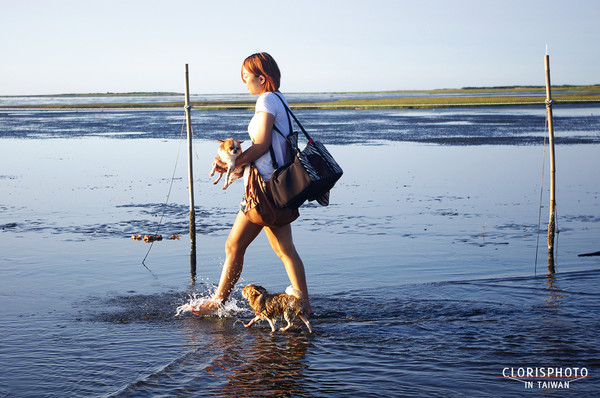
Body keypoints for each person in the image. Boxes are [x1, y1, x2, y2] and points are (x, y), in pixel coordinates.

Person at [191, 52, 311, 316]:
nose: (244, 82)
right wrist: (236, 163)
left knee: (234, 246)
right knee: (286, 251)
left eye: (246, 76)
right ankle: (306, 309)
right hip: (279, 188)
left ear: (261, 77)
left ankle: (217, 303)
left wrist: (232, 164)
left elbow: (263, 144)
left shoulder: (267, 99)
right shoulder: (280, 99)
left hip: (264, 190)